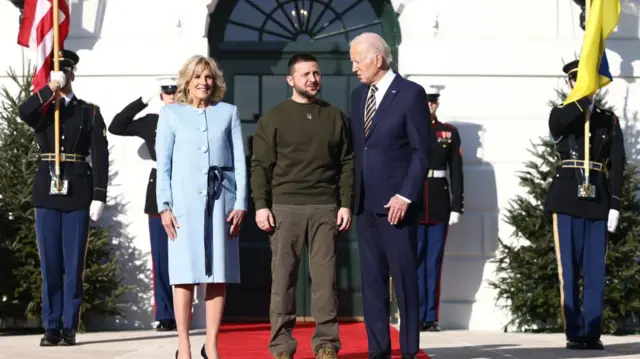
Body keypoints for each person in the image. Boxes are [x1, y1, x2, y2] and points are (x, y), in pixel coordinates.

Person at [252, 52, 354, 359]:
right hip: (285, 208)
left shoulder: (335, 116)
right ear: (290, 80)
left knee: (325, 283)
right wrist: (261, 205)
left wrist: (345, 204)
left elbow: (348, 163)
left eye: (317, 73)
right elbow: (260, 166)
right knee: (283, 282)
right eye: (306, 74)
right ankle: (282, 346)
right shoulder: (273, 118)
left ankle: (326, 344)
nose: (313, 79)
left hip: (325, 208)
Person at [155, 55, 247, 359]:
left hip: (221, 202)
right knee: (184, 274)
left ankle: (213, 345)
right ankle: (184, 344)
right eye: (197, 77)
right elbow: (163, 164)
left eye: (208, 77)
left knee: (218, 273)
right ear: (187, 82)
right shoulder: (171, 115)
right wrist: (164, 206)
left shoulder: (228, 113)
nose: (203, 83)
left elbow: (239, 162)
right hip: (182, 206)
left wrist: (241, 202)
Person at [17, 49, 108, 346]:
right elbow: (24, 112)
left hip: (78, 191)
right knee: (51, 265)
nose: (63, 76)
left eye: (66, 72)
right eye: (59, 72)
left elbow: (100, 155)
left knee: (73, 265)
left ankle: (69, 325)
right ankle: (51, 326)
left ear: (72, 73)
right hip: (47, 191)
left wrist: (99, 195)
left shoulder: (88, 111)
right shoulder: (44, 110)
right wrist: (49, 90)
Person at [348, 33, 430, 359]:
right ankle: (378, 352)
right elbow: (359, 150)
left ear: (377, 59)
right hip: (365, 205)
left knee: (405, 284)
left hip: (397, 207)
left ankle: (409, 352)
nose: (353, 66)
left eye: (357, 60)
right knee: (372, 286)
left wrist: (405, 196)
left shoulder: (411, 95)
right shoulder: (357, 97)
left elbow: (423, 152)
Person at [544, 59, 625, 350]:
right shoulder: (563, 113)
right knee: (569, 269)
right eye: (578, 82)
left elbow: (617, 164)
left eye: (589, 81)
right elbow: (559, 125)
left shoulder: (608, 119)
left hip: (598, 201)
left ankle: (591, 332)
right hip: (567, 200)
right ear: (570, 83)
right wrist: (582, 100)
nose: (585, 86)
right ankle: (574, 332)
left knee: (595, 272)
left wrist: (615, 203)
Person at [108, 77, 178, 331]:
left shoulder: (193, 117)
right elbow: (116, 126)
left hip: (187, 189)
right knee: (161, 257)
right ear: (162, 96)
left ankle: (183, 309)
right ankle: (167, 314)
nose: (172, 97)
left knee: (185, 258)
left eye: (176, 92)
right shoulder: (152, 122)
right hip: (159, 190)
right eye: (168, 93)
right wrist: (142, 100)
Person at [416, 87, 464, 333]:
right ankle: (414, 313)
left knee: (433, 261)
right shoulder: (409, 129)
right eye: (426, 103)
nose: (430, 107)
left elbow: (456, 170)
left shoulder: (448, 133)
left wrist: (457, 205)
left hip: (438, 202)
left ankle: (430, 316)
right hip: (413, 203)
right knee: (414, 260)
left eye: (433, 103)